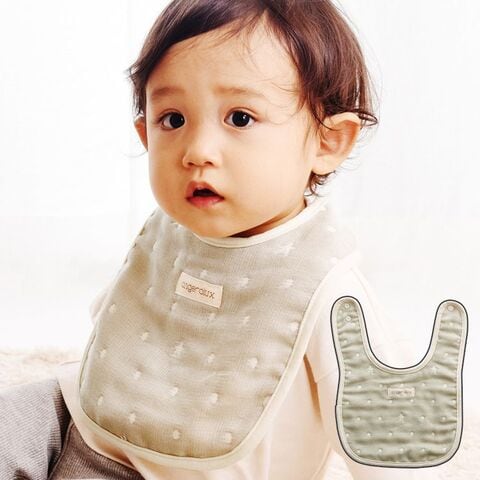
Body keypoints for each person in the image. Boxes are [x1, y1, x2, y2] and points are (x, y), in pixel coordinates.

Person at [0, 1, 439, 478]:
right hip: (90, 428)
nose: (197, 151)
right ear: (145, 133)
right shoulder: (168, 234)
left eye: (240, 118)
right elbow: (120, 324)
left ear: (327, 142)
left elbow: (383, 435)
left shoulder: (323, 285)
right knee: (16, 416)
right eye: (173, 120)